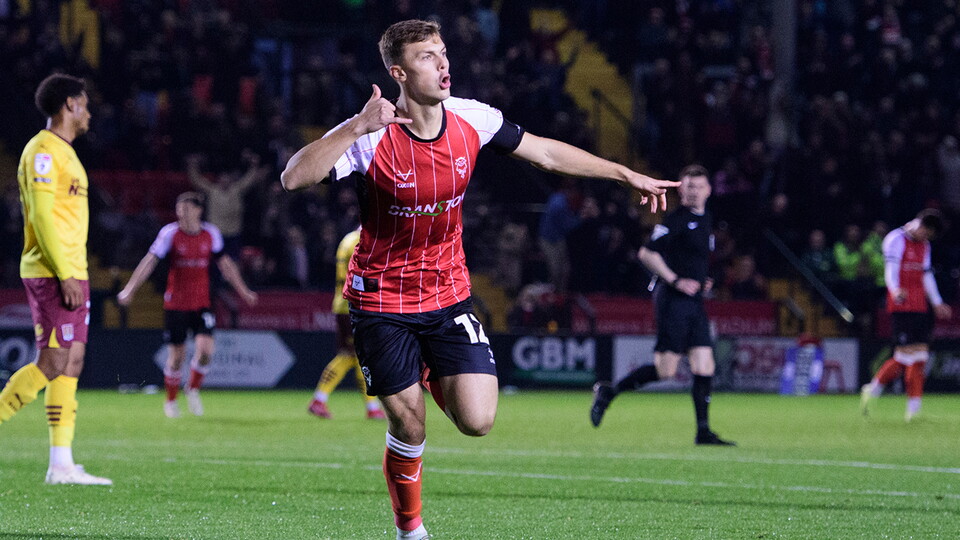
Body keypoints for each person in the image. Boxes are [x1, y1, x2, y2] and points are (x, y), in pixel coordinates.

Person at [280, 19, 678, 540]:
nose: (443, 63)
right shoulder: (370, 138)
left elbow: (548, 152)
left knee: (478, 420)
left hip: (448, 296)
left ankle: (421, 372)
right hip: (382, 302)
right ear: (398, 72)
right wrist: (354, 126)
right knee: (410, 425)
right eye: (428, 56)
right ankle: (410, 529)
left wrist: (624, 173)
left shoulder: (472, 118)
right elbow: (293, 178)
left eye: (444, 53)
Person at [0, 73, 112, 485]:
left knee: (71, 363)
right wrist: (64, 271)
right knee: (52, 362)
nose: (88, 112)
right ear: (68, 104)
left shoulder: (65, 153)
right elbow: (43, 215)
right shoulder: (43, 151)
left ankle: (61, 464)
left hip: (72, 272)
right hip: (52, 271)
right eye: (83, 103)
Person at [590, 165, 734, 446]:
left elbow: (697, 259)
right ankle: (609, 391)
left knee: (705, 364)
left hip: (694, 301)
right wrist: (675, 279)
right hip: (673, 301)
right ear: (682, 190)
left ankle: (703, 431)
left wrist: (705, 280)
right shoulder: (676, 220)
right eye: (688, 187)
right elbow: (646, 253)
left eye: (698, 186)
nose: (693, 192)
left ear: (708, 190)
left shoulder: (706, 220)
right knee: (666, 370)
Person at [117, 192, 258, 418]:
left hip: (202, 303)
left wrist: (243, 291)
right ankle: (171, 402)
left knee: (205, 352)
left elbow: (226, 265)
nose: (181, 213)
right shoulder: (169, 234)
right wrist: (130, 289)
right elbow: (149, 262)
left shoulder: (211, 234)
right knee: (177, 357)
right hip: (176, 304)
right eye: (179, 209)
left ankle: (192, 389)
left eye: (186, 209)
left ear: (198, 210)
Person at [860, 209, 951, 421]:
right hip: (901, 304)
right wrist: (895, 290)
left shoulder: (924, 245)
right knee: (906, 357)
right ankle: (878, 393)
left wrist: (937, 302)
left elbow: (926, 275)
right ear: (921, 225)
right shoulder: (895, 239)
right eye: (926, 233)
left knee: (917, 357)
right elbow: (890, 269)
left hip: (920, 306)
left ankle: (909, 409)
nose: (926, 239)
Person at [308, 227, 386, 420]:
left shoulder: (349, 239)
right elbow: (355, 279)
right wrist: (381, 287)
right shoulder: (359, 242)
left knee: (360, 358)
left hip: (347, 304)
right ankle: (319, 399)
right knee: (349, 354)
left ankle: (372, 407)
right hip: (351, 305)